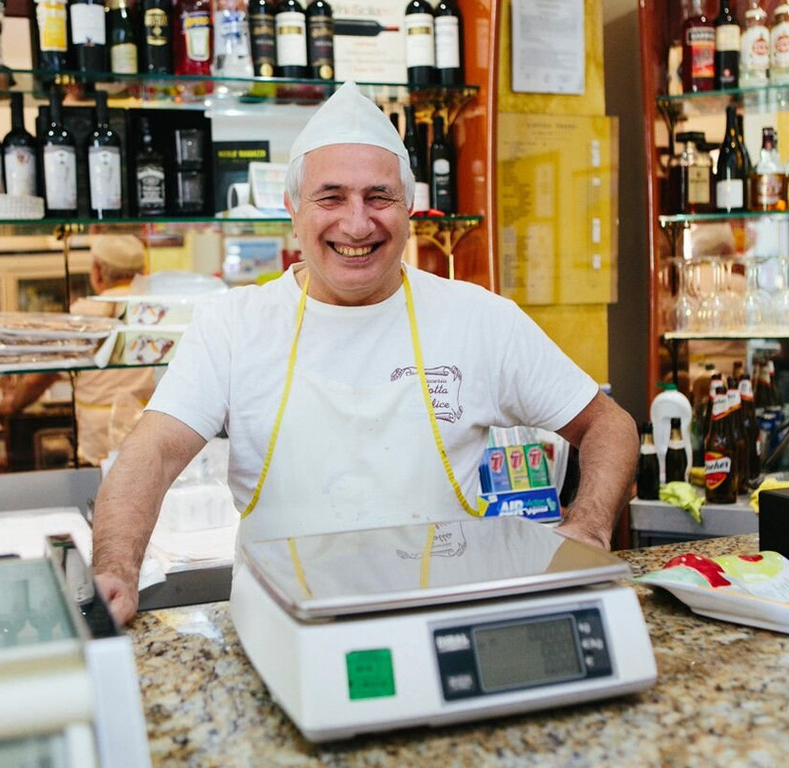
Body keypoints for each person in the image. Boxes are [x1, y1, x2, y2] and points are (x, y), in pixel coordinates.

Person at [91, 81, 637, 625]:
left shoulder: (479, 319)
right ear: (292, 209)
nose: (357, 224)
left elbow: (608, 426)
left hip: (442, 625)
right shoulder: (233, 325)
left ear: (409, 207)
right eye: (331, 197)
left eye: (379, 197)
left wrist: (588, 527)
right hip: (283, 631)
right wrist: (117, 568)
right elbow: (153, 452)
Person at [0, 234, 154, 466]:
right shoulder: (156, 309)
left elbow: (39, 378)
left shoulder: (83, 314)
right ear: (143, 271)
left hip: (100, 437)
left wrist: (12, 404)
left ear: (97, 272)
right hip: (152, 426)